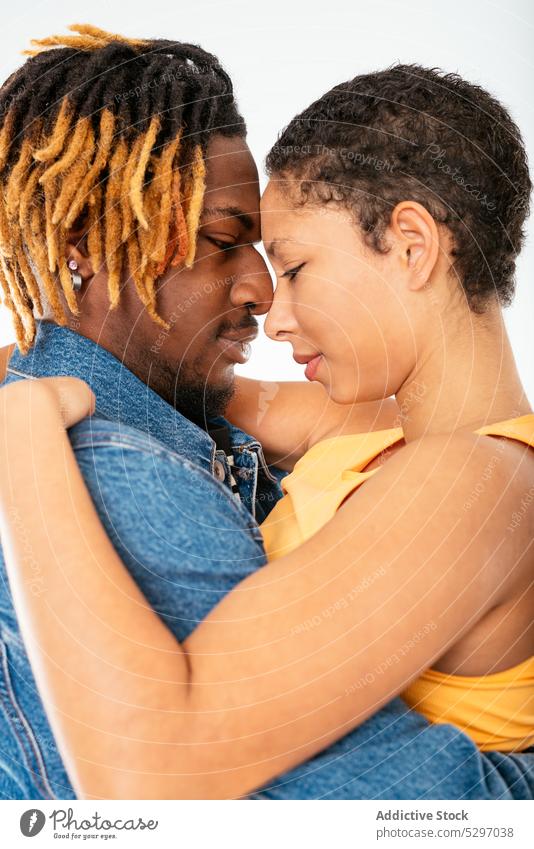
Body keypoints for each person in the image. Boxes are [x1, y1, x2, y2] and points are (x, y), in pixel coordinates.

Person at [0, 27, 533, 801]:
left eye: (295, 265)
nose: (272, 311)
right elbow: (217, 394)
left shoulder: (465, 481)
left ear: (413, 247)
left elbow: (157, 766)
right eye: (232, 244)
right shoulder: (376, 433)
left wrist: (20, 428)